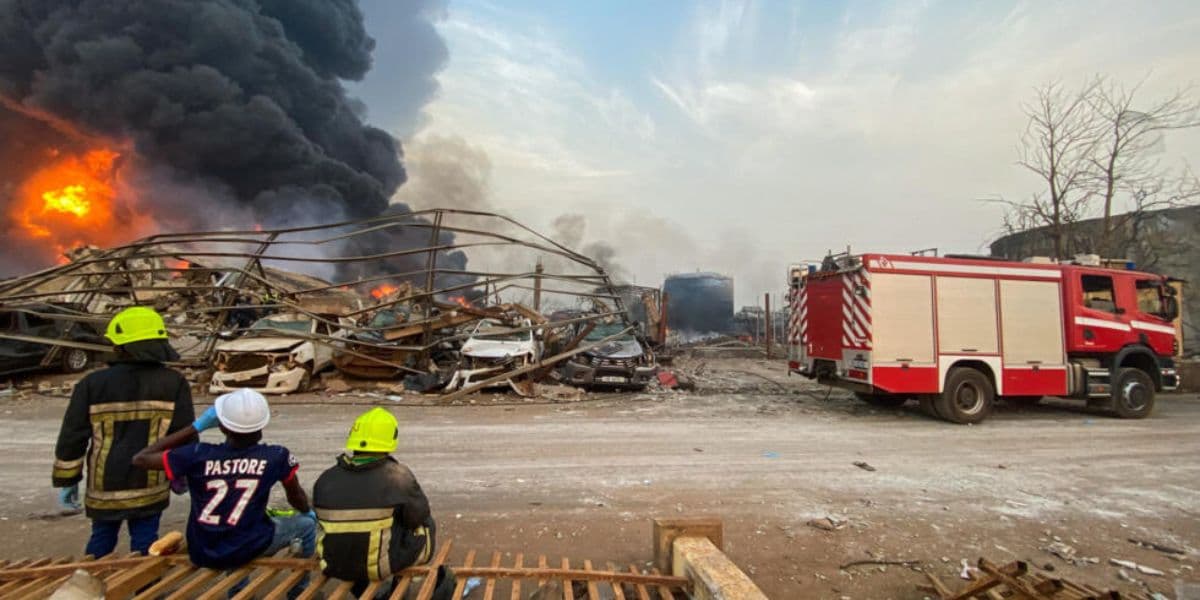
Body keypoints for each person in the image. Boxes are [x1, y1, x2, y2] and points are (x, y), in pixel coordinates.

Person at [131, 388, 315, 596]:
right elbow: (296, 498)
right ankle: (299, 592)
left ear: (221, 426)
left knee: (238, 531)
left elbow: (141, 458)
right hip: (250, 544)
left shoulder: (196, 455)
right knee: (306, 525)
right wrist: (307, 510)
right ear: (262, 426)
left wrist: (195, 427)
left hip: (203, 548)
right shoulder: (276, 456)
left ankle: (239, 591)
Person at [52, 306, 195, 557]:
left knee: (102, 538)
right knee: (145, 541)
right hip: (150, 483)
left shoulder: (92, 384)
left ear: (122, 346)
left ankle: (89, 587)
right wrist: (181, 472)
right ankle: (146, 591)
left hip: (104, 485)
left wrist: (68, 479)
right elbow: (185, 434)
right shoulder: (173, 382)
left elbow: (73, 435)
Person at [312, 408, 453, 598]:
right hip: (377, 566)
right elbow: (417, 517)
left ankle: (364, 590)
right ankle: (400, 577)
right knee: (426, 524)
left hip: (333, 564)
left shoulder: (326, 478)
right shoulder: (397, 476)